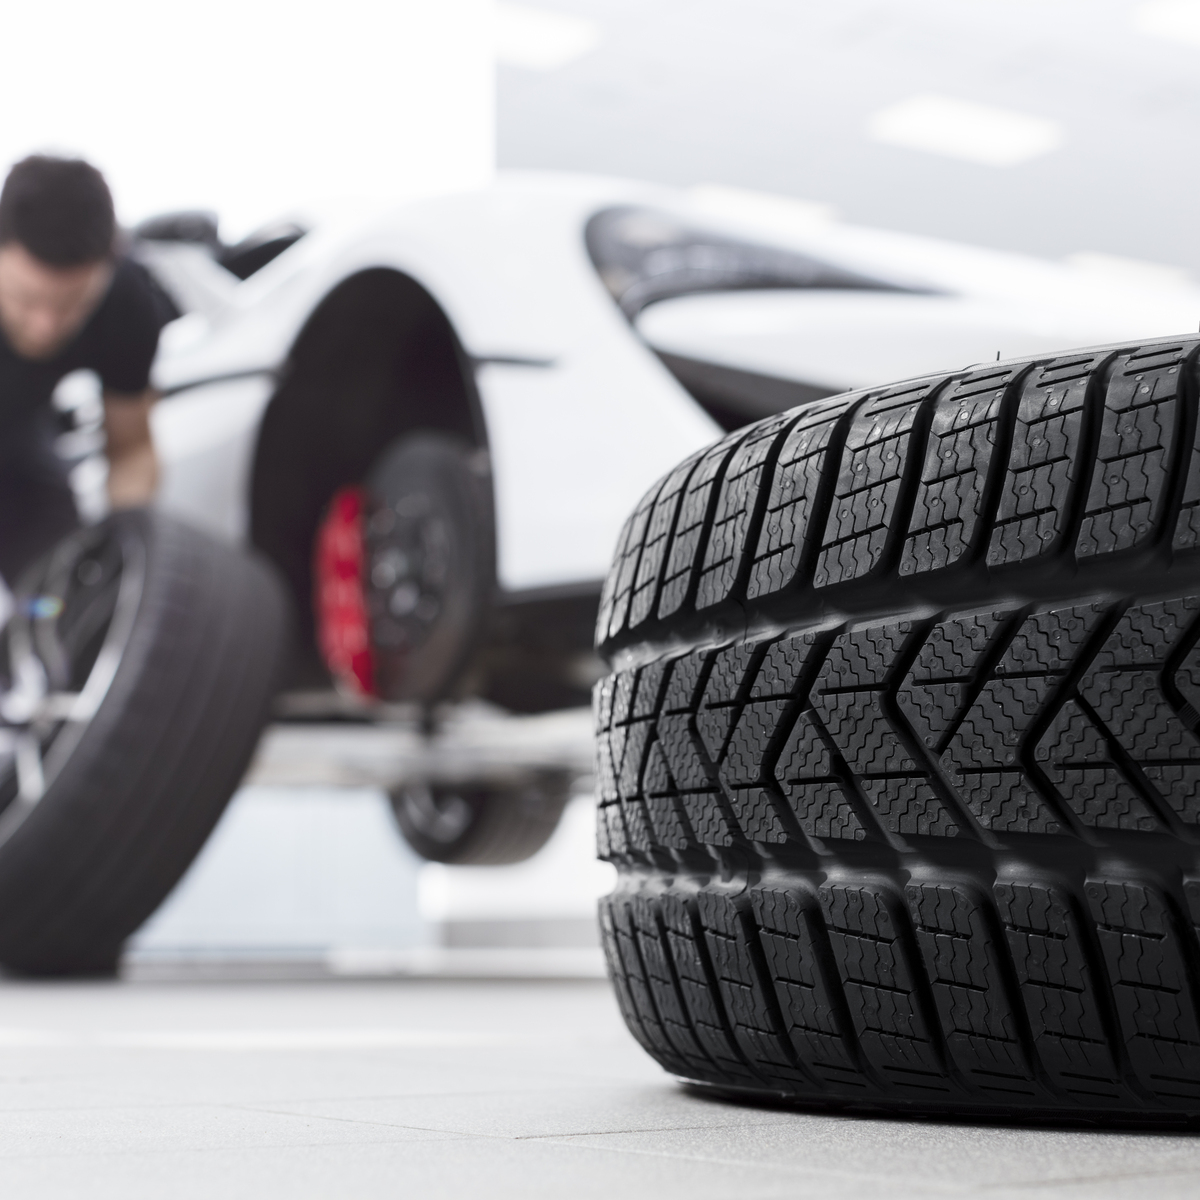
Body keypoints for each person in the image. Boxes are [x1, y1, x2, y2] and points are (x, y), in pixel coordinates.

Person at [0, 155, 173, 584]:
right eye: (26, 299)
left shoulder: (128, 306)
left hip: (21, 437)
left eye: (69, 304)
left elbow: (132, 449)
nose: (45, 326)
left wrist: (127, 546)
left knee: (68, 579)